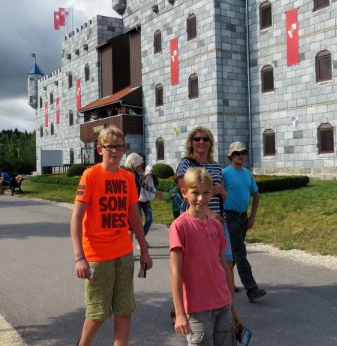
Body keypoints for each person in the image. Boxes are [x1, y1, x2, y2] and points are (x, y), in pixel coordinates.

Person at [70, 126, 153, 346]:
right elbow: (76, 218)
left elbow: (134, 216)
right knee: (98, 313)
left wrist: (144, 250)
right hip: (97, 255)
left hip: (124, 253)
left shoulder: (127, 177)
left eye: (118, 147)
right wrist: (79, 257)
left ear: (124, 149)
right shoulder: (91, 175)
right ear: (100, 150)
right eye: (109, 147)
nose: (114, 151)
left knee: (125, 310)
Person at [169, 167, 241, 345]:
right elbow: (175, 273)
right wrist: (179, 313)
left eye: (206, 193)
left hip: (222, 303)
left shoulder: (216, 226)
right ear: (185, 192)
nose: (201, 198)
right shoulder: (180, 227)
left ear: (212, 194)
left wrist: (232, 306)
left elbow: (224, 267)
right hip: (197, 308)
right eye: (195, 193)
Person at [175, 126, 233, 264]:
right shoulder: (185, 164)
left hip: (219, 220)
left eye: (205, 139)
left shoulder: (217, 166)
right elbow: (186, 194)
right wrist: (209, 214)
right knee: (200, 262)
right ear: (191, 142)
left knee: (227, 261)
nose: (201, 142)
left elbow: (225, 196)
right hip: (196, 221)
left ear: (210, 143)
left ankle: (224, 286)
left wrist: (220, 190)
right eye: (197, 139)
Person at [223, 142, 266, 303]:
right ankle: (251, 289)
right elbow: (219, 195)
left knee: (234, 254)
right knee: (240, 252)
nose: (240, 155)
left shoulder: (247, 173)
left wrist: (252, 217)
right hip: (229, 217)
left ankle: (225, 282)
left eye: (243, 152)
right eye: (237, 153)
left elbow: (256, 194)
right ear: (231, 156)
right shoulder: (225, 173)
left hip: (243, 217)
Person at [124, 153, 157, 242]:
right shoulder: (124, 172)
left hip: (135, 200)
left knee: (132, 227)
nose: (140, 165)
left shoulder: (135, 173)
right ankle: (129, 251)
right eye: (138, 163)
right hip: (127, 203)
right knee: (130, 227)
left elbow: (143, 185)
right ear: (133, 162)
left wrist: (155, 192)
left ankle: (130, 251)